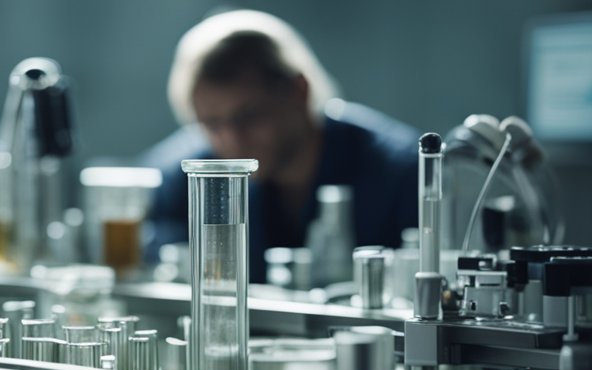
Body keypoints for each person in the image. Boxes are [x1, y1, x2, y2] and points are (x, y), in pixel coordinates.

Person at [144, 10, 419, 284]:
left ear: (299, 91)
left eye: (249, 116)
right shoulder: (185, 176)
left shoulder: (403, 173)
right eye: (211, 124)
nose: (231, 140)